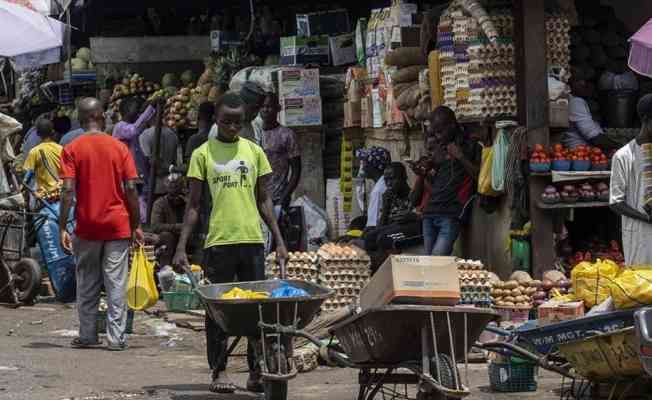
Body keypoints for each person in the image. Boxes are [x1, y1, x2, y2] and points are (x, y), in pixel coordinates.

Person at [173, 92, 288, 394]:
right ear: (216, 120)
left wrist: (279, 240)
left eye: (238, 122)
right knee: (218, 312)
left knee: (256, 311)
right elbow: (194, 204)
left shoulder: (254, 152)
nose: (232, 127)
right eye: (226, 121)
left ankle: (255, 371)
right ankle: (219, 370)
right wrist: (181, 246)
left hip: (252, 240)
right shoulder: (202, 154)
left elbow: (264, 198)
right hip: (219, 243)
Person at [58, 97, 143, 351]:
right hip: (117, 225)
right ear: (102, 116)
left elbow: (67, 190)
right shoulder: (119, 148)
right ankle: (116, 338)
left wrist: (62, 225)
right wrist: (136, 223)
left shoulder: (72, 148)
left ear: (81, 120)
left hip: (86, 226)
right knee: (116, 282)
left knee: (87, 280)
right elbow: (130, 189)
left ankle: (87, 335)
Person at [416, 106, 481, 256]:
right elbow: (436, 183)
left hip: (450, 215)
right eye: (435, 132)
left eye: (440, 131)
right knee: (429, 266)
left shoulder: (471, 146)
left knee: (436, 262)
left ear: (452, 126)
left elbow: (478, 177)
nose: (438, 137)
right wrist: (426, 170)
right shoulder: (440, 148)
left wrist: (460, 157)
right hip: (430, 213)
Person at [610, 94, 652, 265]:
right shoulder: (623, 156)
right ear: (645, 119)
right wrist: (646, 217)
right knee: (641, 286)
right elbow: (616, 202)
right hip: (639, 234)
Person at [364, 162, 420, 273]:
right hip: (392, 229)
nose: (389, 184)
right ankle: (373, 269)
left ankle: (382, 272)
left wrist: (411, 217)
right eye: (386, 180)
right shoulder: (390, 197)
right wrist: (385, 207)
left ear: (404, 178)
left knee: (383, 238)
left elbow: (420, 217)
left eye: (392, 179)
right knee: (369, 237)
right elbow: (381, 226)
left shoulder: (413, 196)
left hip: (411, 230)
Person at [260, 92, 301, 210]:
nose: (265, 110)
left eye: (269, 106)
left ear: (278, 109)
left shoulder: (287, 135)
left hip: (277, 198)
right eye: (262, 106)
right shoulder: (255, 134)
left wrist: (284, 197)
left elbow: (296, 171)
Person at [563, 71, 620, 151]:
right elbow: (594, 137)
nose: (583, 84)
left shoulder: (576, 101)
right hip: (580, 153)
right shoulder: (575, 102)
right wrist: (619, 146)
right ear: (569, 84)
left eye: (584, 80)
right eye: (578, 80)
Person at [147, 173, 186, 266]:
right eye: (172, 186)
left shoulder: (185, 202)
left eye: (177, 186)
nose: (175, 189)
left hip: (184, 236)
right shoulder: (160, 203)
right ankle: (165, 268)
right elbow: (155, 226)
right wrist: (177, 227)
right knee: (166, 236)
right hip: (167, 238)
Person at [139, 118, 179, 196]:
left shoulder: (145, 135)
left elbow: (146, 161)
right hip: (169, 184)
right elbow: (175, 162)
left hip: (153, 185)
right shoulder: (172, 135)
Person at [355, 146, 391, 228]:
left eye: (364, 163)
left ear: (373, 166)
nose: (362, 167)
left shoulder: (378, 191)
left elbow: (372, 225)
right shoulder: (384, 183)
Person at [23, 118, 62, 193]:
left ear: (37, 133)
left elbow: (27, 174)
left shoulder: (34, 152)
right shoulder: (61, 149)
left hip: (45, 197)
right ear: (53, 131)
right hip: (60, 193)